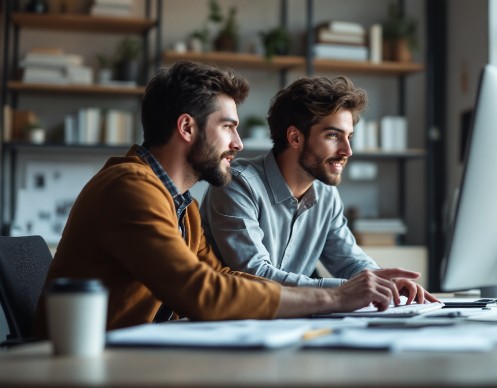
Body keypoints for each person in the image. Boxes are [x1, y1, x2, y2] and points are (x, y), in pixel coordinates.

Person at [32, 61, 424, 337]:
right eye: (228, 127)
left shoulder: (179, 203)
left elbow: (221, 277)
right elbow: (201, 291)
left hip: (130, 354)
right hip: (84, 365)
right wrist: (337, 295)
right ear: (187, 127)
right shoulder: (131, 187)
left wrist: (355, 290)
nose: (238, 144)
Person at [200, 75, 436, 304]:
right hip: (228, 325)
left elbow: (349, 261)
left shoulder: (325, 194)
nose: (347, 151)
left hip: (287, 324)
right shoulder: (238, 185)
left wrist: (387, 282)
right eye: (333, 135)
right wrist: (345, 290)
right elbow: (254, 275)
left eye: (349, 137)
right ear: (295, 137)